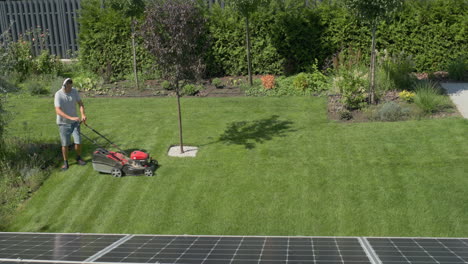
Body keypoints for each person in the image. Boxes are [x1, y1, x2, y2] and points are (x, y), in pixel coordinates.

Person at [54, 78, 87, 170]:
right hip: (63, 123)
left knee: (78, 141)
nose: (70, 89)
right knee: (65, 144)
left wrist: (83, 114)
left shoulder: (74, 91)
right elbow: (58, 110)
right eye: (69, 87)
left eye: (71, 86)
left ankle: (79, 158)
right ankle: (66, 163)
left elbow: (80, 103)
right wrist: (71, 118)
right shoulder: (58, 94)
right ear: (64, 86)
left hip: (75, 122)